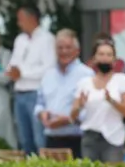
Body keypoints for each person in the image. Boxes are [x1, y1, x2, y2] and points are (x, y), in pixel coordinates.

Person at [70, 38, 125, 162]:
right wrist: (80, 106)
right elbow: (72, 116)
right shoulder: (84, 83)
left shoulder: (122, 80)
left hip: (113, 137)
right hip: (90, 137)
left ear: (114, 60)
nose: (105, 58)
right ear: (94, 59)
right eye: (101, 54)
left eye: (109, 55)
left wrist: (112, 101)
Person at [33, 30, 95, 159]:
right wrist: (42, 114)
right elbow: (39, 103)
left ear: (77, 51)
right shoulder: (48, 75)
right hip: (51, 138)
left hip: (76, 139)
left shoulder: (86, 75)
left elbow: (91, 110)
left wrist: (68, 120)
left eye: (68, 47)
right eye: (60, 48)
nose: (64, 51)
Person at [7, 6, 57, 155]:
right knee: (24, 139)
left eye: (21, 19)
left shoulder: (47, 39)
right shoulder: (20, 40)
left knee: (39, 138)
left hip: (36, 93)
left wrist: (23, 73)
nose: (19, 23)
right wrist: (12, 71)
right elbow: (13, 62)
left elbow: (49, 68)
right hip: (20, 93)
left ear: (32, 18)